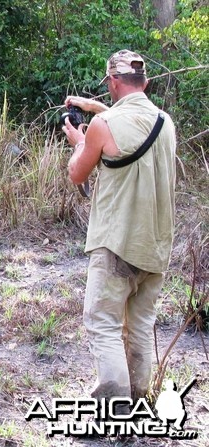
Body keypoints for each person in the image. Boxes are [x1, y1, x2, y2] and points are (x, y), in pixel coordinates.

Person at [62, 49, 177, 404]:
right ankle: (141, 398)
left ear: (113, 82)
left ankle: (114, 405)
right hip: (155, 246)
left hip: (118, 243)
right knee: (140, 325)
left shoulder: (104, 126)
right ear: (145, 82)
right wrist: (94, 108)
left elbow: (77, 173)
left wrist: (80, 143)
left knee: (103, 323)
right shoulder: (164, 122)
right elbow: (128, 128)